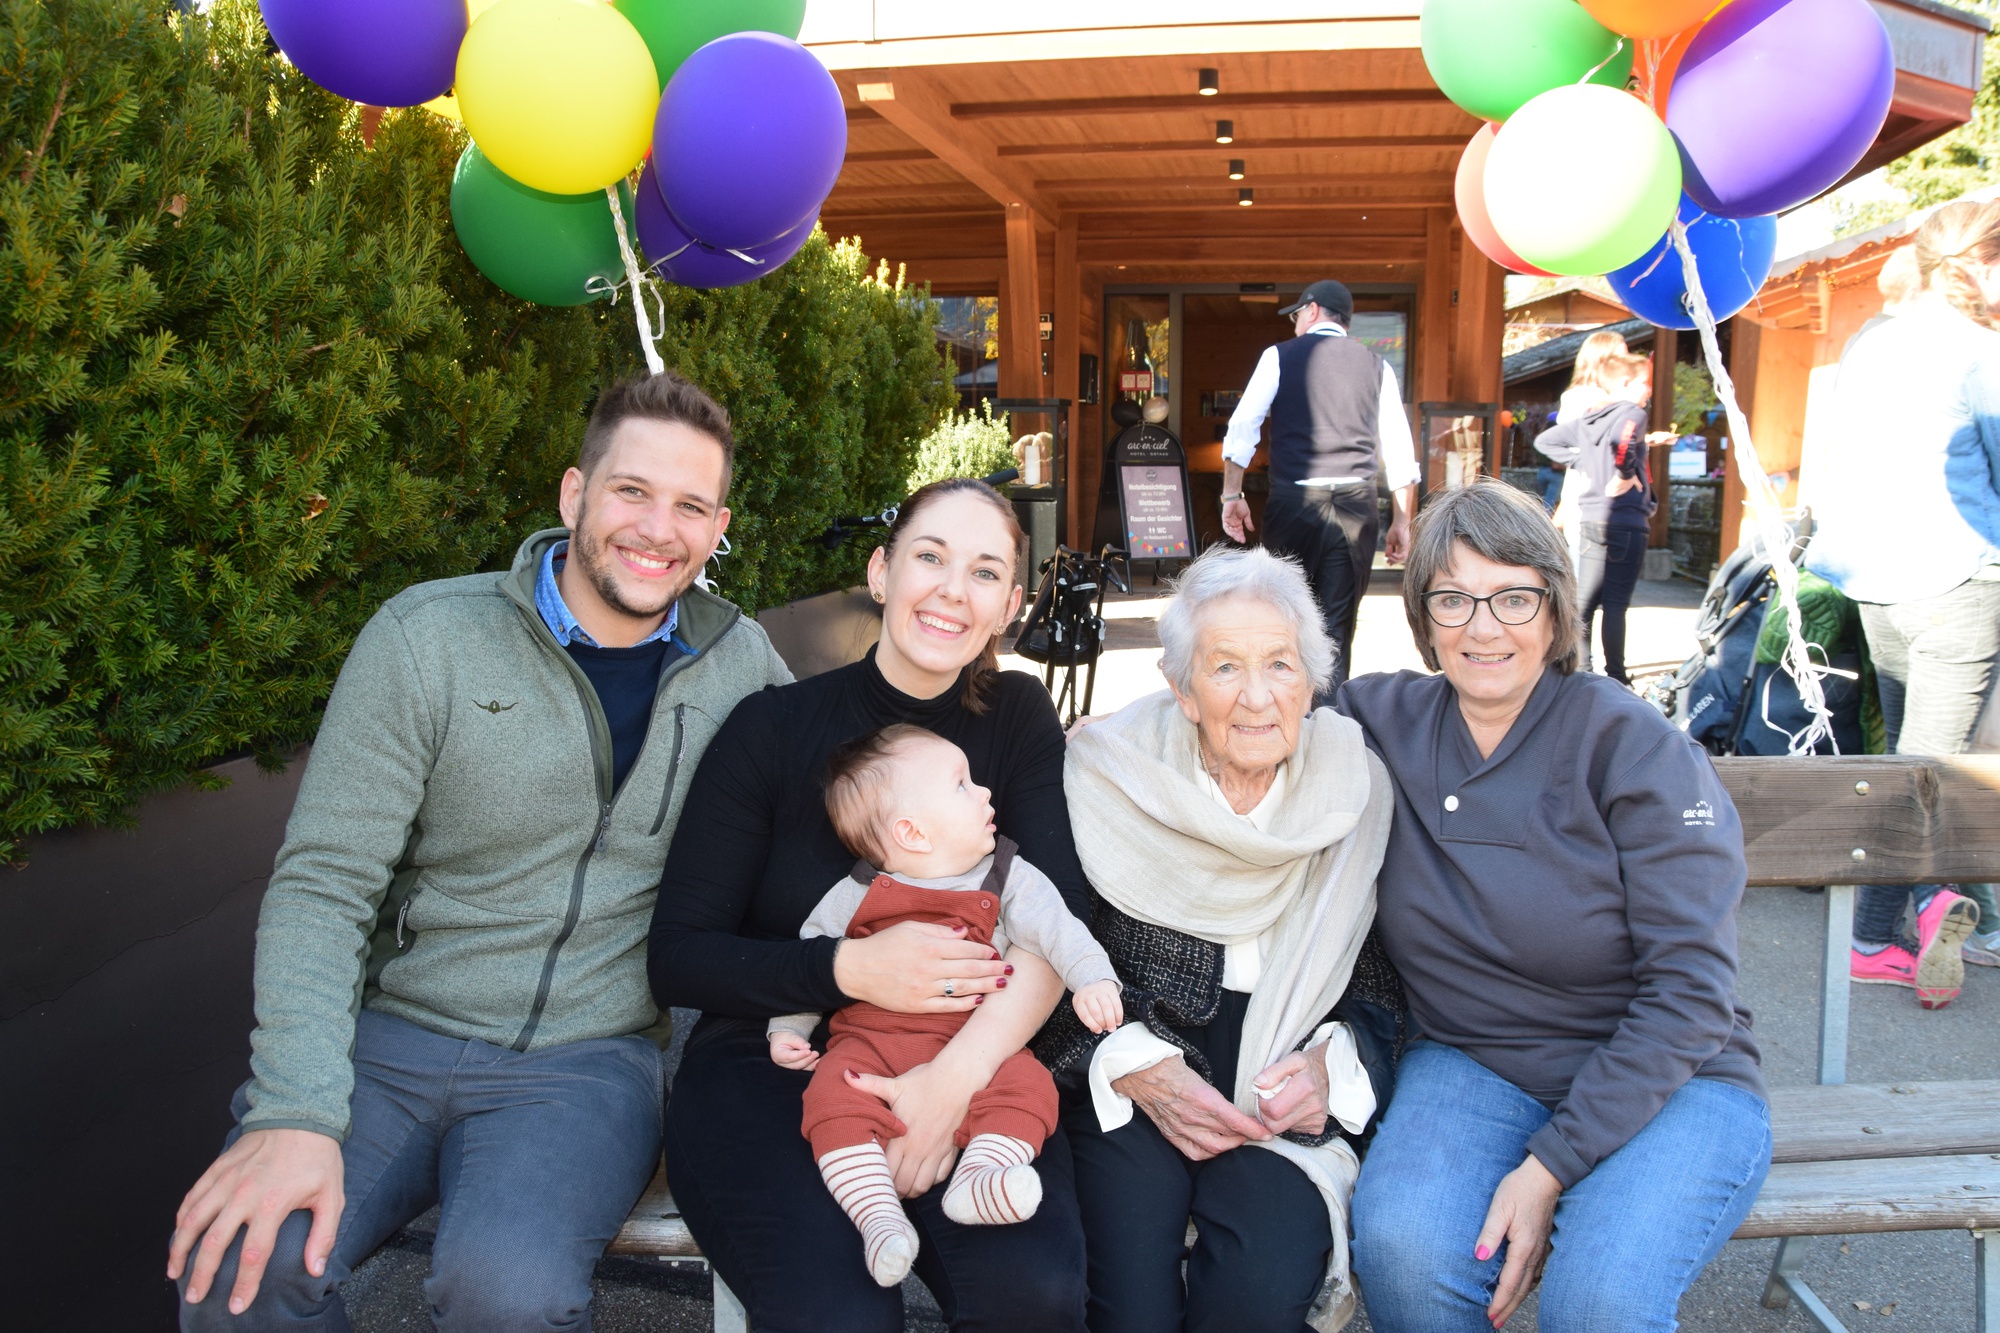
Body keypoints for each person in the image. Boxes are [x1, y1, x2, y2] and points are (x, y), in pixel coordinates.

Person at [167, 372, 794, 1330]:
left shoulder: (739, 661)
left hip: (590, 1062)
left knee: (506, 1293)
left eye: (691, 506)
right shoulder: (428, 639)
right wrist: (294, 1108)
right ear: (574, 494)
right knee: (244, 1271)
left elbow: (845, 784)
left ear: (717, 529)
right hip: (394, 1034)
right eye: (632, 491)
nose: (658, 528)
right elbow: (324, 883)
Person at [648, 478, 1092, 1332]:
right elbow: (679, 952)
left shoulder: (1016, 719)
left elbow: (1053, 922)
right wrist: (847, 966)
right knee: (839, 1312)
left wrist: (947, 1085)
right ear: (881, 571)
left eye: (985, 571)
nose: (952, 590)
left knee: (1028, 1292)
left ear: (1009, 605)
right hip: (776, 1062)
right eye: (929, 557)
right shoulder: (773, 729)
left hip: (974, 1051)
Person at [1342, 481, 1770, 1332]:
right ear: (1425, 616)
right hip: (1475, 1059)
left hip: (1669, 1077)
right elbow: (1249, 698)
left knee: (1600, 1300)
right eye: (1454, 598)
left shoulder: (1633, 748)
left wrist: (1549, 1167)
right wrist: (1104, 741)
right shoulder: (1381, 718)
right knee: (1407, 1252)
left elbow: (1689, 995)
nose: (1484, 625)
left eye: (1513, 596)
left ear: (1554, 608)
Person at [1044, 544, 1399, 1333]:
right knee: (1128, 1305)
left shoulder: (1353, 789)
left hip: (1285, 1092)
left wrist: (1332, 1065)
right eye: (1225, 667)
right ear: (1181, 688)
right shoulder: (1108, 778)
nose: (1257, 698)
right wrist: (1132, 1058)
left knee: (1256, 1288)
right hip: (1137, 1067)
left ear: (1312, 679)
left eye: (1280, 664)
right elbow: (1043, 957)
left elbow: (1382, 981)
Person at [767, 726, 1121, 1286]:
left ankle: (982, 1177)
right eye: (961, 786)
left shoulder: (1009, 877)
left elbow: (1060, 932)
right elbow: (813, 959)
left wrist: (1094, 979)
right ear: (912, 833)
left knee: (1029, 1087)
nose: (984, 793)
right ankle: (877, 1216)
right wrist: (786, 1028)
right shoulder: (857, 892)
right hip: (869, 1042)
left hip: (974, 1036)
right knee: (831, 1095)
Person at [1804, 198, 2000, 1006]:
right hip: (1960, 576)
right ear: (1982, 264)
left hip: (1875, 580)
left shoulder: (1869, 344)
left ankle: (1948, 909)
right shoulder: (1979, 350)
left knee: (1911, 759)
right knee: (1938, 772)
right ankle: (1881, 929)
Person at [1219, 279, 1422, 692]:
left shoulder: (1279, 356)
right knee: (1336, 624)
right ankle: (1327, 724)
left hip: (1296, 500)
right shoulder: (1376, 365)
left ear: (1311, 311)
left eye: (1296, 315)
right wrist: (1404, 519)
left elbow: (1243, 427)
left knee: (1280, 615)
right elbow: (1399, 448)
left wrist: (1232, 494)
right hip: (1354, 503)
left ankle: (1276, 710)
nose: (1294, 324)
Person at [1534, 351, 1661, 684]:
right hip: (1626, 517)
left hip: (1591, 515)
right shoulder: (1632, 412)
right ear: (1624, 383)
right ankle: (1616, 677)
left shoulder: (1591, 418)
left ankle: (1582, 671)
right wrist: (1624, 472)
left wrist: (1582, 463)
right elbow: (1624, 441)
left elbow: (1546, 440)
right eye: (1643, 383)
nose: (1648, 390)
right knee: (1616, 604)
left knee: (1585, 601)